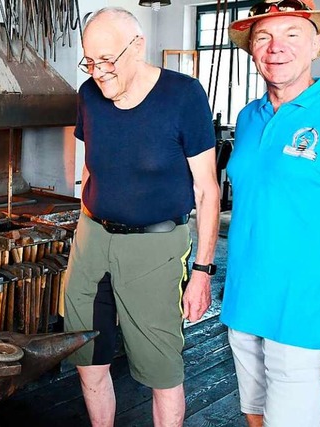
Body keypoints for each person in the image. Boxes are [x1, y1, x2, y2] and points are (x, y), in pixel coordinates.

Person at [63, 7, 220, 427]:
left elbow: (207, 190)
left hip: (155, 247)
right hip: (91, 240)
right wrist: (86, 217)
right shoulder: (88, 94)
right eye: (90, 61)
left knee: (161, 369)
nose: (99, 71)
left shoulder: (184, 95)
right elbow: (91, 165)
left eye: (108, 60)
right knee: (86, 355)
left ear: (138, 46)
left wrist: (202, 271)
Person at [221, 1, 320, 426]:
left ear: (317, 44)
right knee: (255, 417)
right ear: (252, 49)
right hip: (244, 306)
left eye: (291, 35)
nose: (275, 47)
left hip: (308, 318)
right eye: (263, 37)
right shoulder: (248, 116)